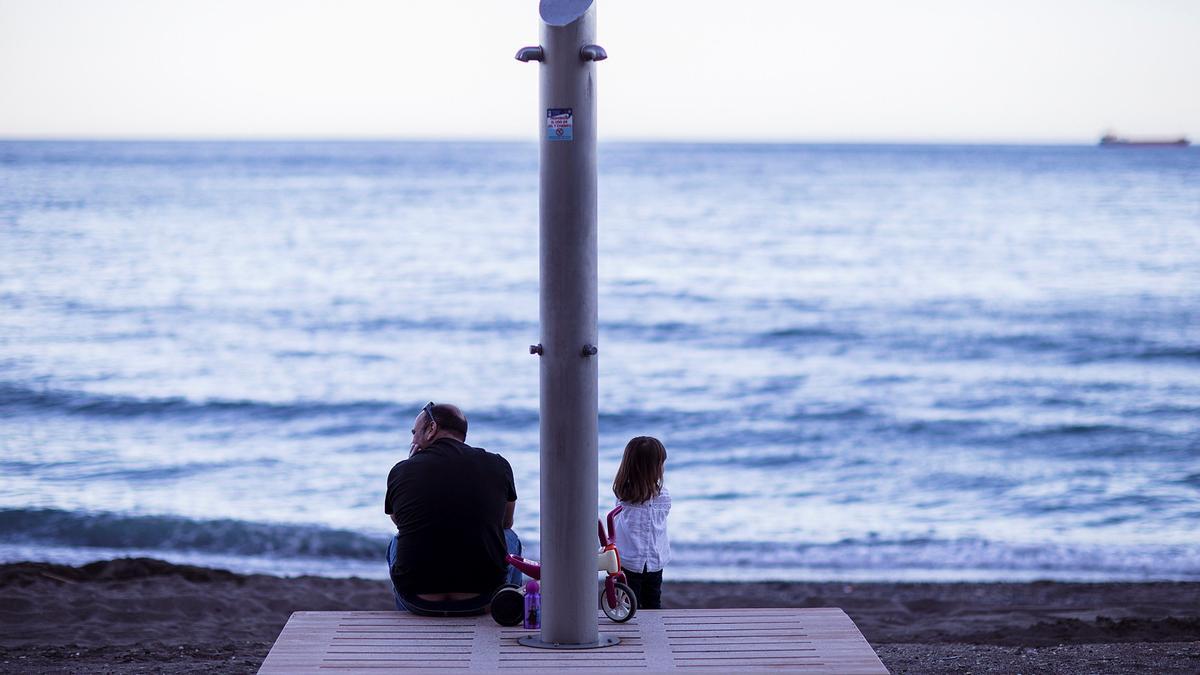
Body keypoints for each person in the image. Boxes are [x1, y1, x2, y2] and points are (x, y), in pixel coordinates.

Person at [384, 402, 522, 615]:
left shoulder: (401, 469)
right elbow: (506, 523)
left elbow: (403, 522)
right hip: (482, 598)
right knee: (509, 536)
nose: (413, 440)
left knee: (396, 540)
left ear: (431, 429)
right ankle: (507, 607)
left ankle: (407, 618)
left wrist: (411, 466)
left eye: (414, 432)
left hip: (418, 601)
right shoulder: (497, 464)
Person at [611, 436, 671, 609]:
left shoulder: (623, 495)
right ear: (654, 468)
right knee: (651, 604)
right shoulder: (662, 496)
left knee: (626, 606)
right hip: (652, 561)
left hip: (629, 559)